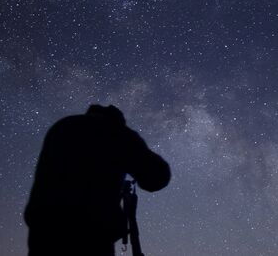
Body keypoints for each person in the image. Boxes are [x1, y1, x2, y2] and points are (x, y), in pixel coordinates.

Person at [24, 104, 171, 255]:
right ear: (118, 120)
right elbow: (157, 177)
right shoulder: (115, 131)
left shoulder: (62, 126)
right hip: (92, 236)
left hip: (44, 233)